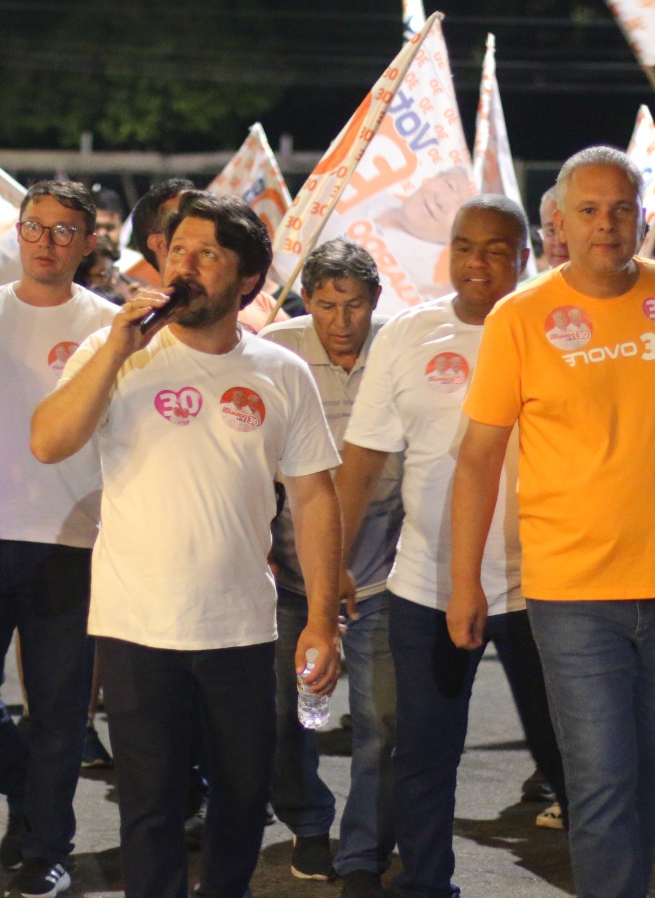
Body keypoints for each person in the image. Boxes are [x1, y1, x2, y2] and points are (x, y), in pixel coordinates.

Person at [450, 148, 655, 898]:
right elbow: (478, 459)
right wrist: (466, 583)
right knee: (600, 780)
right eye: (588, 210)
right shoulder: (520, 318)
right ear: (558, 220)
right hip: (572, 592)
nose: (606, 225)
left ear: (643, 216)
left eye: (621, 208)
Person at [30, 191, 342, 898]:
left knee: (239, 806)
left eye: (208, 255)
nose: (185, 266)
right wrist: (115, 347)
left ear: (248, 281)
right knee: (151, 810)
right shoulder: (118, 349)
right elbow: (48, 441)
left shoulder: (280, 372)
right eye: (177, 251)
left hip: (240, 628)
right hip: (137, 626)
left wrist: (321, 618)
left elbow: (316, 499)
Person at [341, 194, 568, 898]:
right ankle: (425, 885)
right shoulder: (409, 335)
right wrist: (331, 568)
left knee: (571, 757)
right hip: (428, 585)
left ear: (524, 258)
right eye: (467, 246)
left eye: (498, 249)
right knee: (425, 755)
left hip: (548, 585)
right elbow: (363, 459)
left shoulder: (557, 330)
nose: (479, 263)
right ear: (450, 253)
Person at [0, 180, 116, 898]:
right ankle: (25, 797)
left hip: (69, 540)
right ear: (17, 233)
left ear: (88, 242)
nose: (46, 241)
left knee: (60, 710)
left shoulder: (109, 325)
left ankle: (48, 848)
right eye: (35, 227)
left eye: (63, 230)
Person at [258, 237, 403, 887]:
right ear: (306, 303)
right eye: (324, 306)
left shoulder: (401, 347)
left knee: (382, 720)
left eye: (354, 306)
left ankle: (365, 843)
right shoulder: (277, 351)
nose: (341, 323)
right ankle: (309, 823)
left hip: (385, 572)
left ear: (376, 299)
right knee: (287, 713)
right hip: (293, 570)